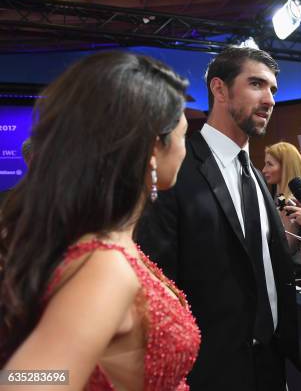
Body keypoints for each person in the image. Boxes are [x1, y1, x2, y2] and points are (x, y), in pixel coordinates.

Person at [0, 51, 200, 390]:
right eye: (183, 136)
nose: (185, 149)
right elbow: (24, 381)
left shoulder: (107, 243)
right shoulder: (104, 264)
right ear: (154, 146)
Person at [136, 46, 300, 391]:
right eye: (256, 84)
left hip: (272, 366)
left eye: (273, 89)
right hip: (210, 371)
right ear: (219, 89)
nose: (269, 99)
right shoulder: (174, 171)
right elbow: (158, 286)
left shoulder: (254, 173)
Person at [262, 141, 301, 265]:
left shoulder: (290, 201)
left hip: (299, 272)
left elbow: (287, 246)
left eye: (270, 164)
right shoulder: (282, 198)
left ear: (286, 166)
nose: (264, 170)